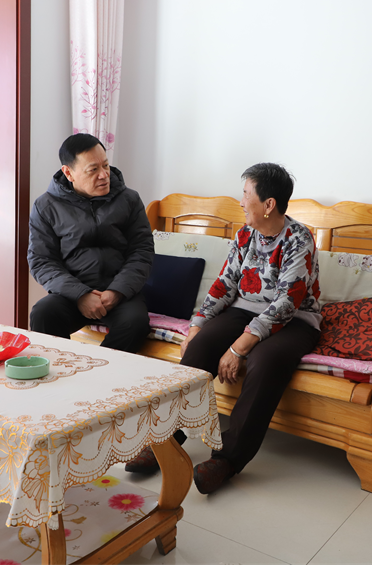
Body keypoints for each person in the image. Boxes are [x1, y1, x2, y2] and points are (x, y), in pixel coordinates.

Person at [124, 163, 322, 494]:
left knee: (265, 360)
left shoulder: (298, 239)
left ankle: (228, 459)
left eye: (246, 194)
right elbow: (225, 284)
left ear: (268, 204)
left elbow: (287, 302)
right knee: (200, 347)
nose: (241, 201)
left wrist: (239, 347)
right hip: (245, 310)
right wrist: (197, 326)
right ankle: (166, 440)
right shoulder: (245, 235)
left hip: (296, 320)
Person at [27, 133, 153, 350]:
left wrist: (117, 291)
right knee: (43, 313)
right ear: (68, 173)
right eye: (93, 170)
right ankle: (60, 368)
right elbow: (41, 261)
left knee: (135, 323)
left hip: (120, 292)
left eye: (106, 165)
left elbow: (142, 251)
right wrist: (80, 294)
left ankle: (102, 369)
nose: (104, 175)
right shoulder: (45, 206)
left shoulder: (129, 199)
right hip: (71, 294)